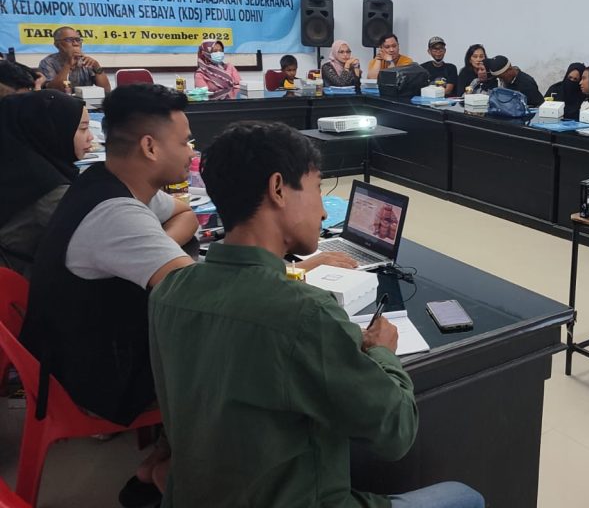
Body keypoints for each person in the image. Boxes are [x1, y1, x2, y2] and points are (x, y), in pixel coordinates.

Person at [149, 121, 485, 508]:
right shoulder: (305, 313)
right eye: (317, 189)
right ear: (278, 189)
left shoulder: (170, 291)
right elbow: (396, 433)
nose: (324, 212)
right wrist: (383, 353)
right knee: (466, 497)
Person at [18, 84, 200, 507]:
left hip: (75, 353)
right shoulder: (115, 213)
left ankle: (160, 460)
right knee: (233, 352)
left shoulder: (105, 180)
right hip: (93, 380)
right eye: (185, 141)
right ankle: (185, 471)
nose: (191, 152)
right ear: (150, 147)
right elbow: (200, 297)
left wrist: (157, 247)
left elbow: (186, 213)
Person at [0, 91, 92, 277]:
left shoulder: (17, 164)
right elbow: (101, 241)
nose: (90, 137)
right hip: (22, 282)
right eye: (83, 129)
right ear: (50, 131)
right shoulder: (49, 192)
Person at [39, 26, 111, 94]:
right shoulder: (48, 62)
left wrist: (97, 67)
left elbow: (106, 91)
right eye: (69, 40)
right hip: (60, 101)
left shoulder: (86, 61)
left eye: (78, 40)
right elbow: (53, 91)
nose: (76, 44)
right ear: (57, 45)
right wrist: (68, 65)